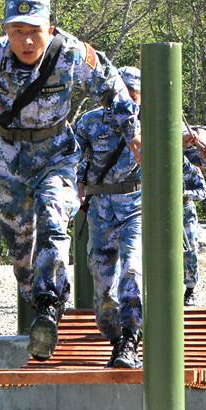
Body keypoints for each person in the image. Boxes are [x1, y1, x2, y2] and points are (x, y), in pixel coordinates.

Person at [0, 0, 140, 362]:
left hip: (56, 154)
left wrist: (133, 131)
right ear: (6, 31)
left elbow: (112, 86)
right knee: (21, 253)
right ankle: (41, 300)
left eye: (34, 31)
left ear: (49, 27)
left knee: (53, 217)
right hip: (7, 163)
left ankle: (49, 305)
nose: (26, 41)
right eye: (17, 31)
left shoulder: (72, 54)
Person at [75, 66, 144, 368]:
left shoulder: (150, 123)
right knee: (103, 283)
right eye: (121, 93)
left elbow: (188, 139)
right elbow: (73, 158)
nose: (126, 99)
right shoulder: (89, 122)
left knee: (132, 270)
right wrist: (75, 188)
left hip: (137, 206)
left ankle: (131, 338)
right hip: (101, 209)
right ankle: (115, 338)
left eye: (133, 93)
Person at [182, 156, 206, 306]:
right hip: (161, 211)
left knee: (190, 248)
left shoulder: (190, 168)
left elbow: (202, 192)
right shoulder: (155, 165)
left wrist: (186, 194)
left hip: (185, 212)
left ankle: (190, 289)